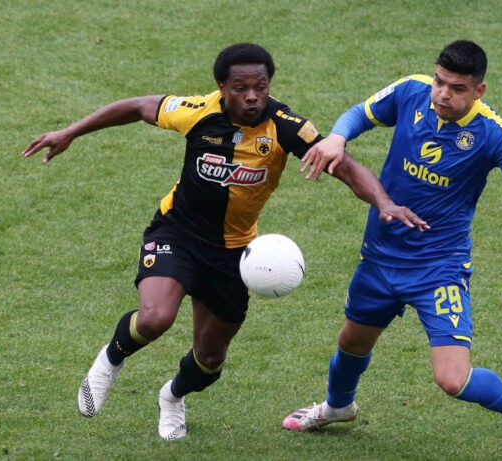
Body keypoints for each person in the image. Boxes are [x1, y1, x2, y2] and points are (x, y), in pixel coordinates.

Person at [23, 43, 426, 441]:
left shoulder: (286, 127)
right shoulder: (197, 111)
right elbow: (135, 106)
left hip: (234, 253)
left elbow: (345, 166)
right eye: (241, 88)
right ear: (222, 87)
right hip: (176, 233)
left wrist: (384, 203)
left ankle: (172, 396)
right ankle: (110, 360)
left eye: (260, 87)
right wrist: (70, 132)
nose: (252, 96)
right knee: (155, 318)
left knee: (210, 361)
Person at [282, 40, 502, 461]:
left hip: (438, 268)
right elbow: (360, 113)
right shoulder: (411, 91)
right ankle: (337, 407)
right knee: (352, 341)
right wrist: (338, 138)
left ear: (479, 91)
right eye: (439, 82)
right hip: (380, 256)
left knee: (453, 379)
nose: (442, 94)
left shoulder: (493, 133)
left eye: (457, 88)